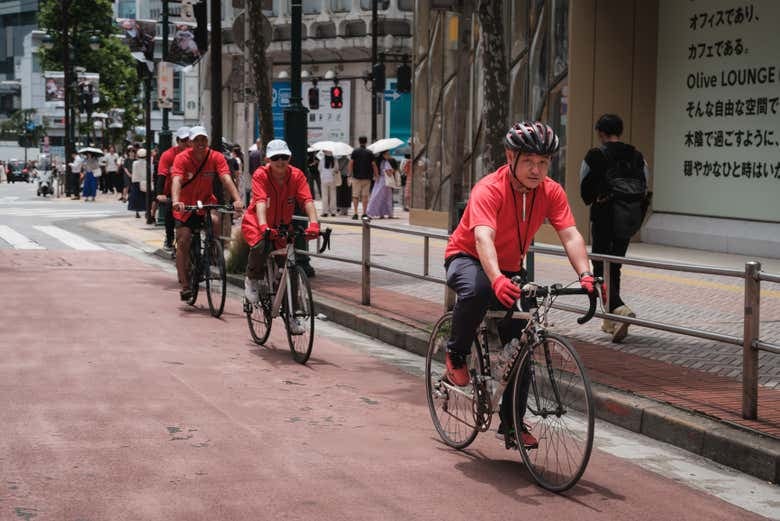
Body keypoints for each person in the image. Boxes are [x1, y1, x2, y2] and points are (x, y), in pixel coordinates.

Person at [443, 121, 601, 450]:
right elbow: (483, 236)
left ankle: (512, 423)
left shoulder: (551, 191)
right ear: (510, 156)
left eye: (543, 162)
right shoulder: (489, 188)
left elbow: (570, 234)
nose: (536, 169)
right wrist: (497, 278)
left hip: (512, 268)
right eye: (529, 161)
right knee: (477, 291)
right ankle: (456, 354)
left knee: (523, 344)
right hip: (467, 256)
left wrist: (586, 273)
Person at [580, 113, 649, 342]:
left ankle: (620, 310)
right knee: (615, 267)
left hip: (603, 218)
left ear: (600, 132)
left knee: (600, 269)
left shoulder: (595, 155)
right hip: (628, 219)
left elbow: (585, 192)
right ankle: (610, 321)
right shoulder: (637, 156)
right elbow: (645, 185)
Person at [241, 139, 320, 333]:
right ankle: (251, 278)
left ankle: (292, 316)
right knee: (260, 245)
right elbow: (260, 201)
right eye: (276, 157)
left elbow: (307, 200)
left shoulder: (297, 175)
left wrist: (315, 223)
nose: (280, 161)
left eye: (284, 157)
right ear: (268, 159)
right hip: (257, 221)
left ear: (289, 158)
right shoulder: (261, 174)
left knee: (290, 269)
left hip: (282, 226)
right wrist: (263, 226)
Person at [171, 126, 245, 301]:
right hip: (185, 207)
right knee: (183, 240)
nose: (200, 143)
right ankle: (185, 284)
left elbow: (226, 177)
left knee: (215, 219)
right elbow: (176, 179)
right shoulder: (182, 158)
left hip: (205, 202)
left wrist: (237, 199)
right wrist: (176, 201)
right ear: (190, 142)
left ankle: (212, 250)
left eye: (203, 139)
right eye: (196, 140)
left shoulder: (216, 157)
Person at [156, 126, 191, 250]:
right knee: (170, 211)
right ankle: (169, 238)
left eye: (189, 140)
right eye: (184, 140)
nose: (187, 143)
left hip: (192, 191)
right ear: (177, 141)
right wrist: (160, 193)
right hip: (173, 192)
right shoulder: (168, 155)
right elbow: (162, 175)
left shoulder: (196, 154)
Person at [348, 136, 378, 219]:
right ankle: (364, 213)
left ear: (359, 141)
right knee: (365, 196)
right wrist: (376, 175)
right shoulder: (369, 153)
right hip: (367, 178)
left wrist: (349, 174)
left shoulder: (355, 152)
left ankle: (355, 213)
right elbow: (374, 164)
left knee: (355, 196)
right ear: (366, 142)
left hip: (356, 177)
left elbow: (351, 163)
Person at [366, 150, 397, 219]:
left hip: (378, 181)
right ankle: (387, 213)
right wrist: (393, 170)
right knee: (386, 198)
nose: (388, 156)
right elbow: (389, 173)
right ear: (383, 155)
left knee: (376, 196)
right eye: (387, 154)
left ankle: (372, 212)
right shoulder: (386, 162)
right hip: (385, 182)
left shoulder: (377, 161)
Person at [318, 150, 338, 217]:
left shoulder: (322, 160)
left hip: (324, 179)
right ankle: (333, 212)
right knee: (333, 196)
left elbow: (319, 169)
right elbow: (337, 169)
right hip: (332, 179)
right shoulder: (335, 160)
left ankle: (325, 212)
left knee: (325, 196)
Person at [129, 148, 148, 218]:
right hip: (145, 181)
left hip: (136, 181)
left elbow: (134, 172)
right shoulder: (148, 163)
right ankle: (147, 211)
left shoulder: (135, 163)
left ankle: (137, 212)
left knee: (136, 197)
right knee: (145, 197)